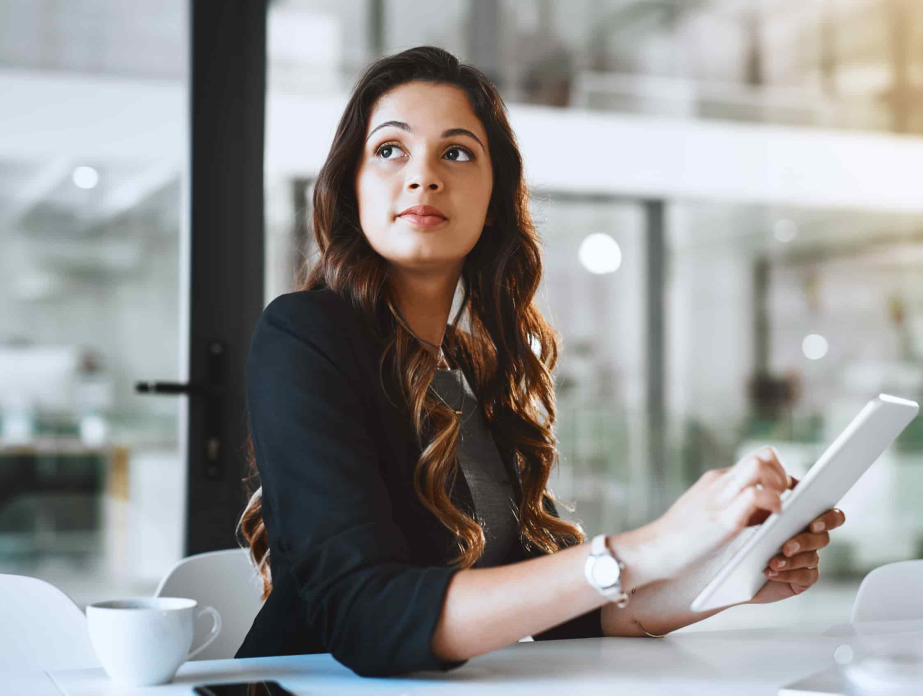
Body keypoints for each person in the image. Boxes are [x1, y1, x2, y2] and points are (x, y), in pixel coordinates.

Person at [235, 46, 845, 678]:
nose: (423, 176)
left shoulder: (475, 366)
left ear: (495, 198)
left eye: (457, 152)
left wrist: (728, 575)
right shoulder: (304, 334)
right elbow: (365, 617)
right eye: (390, 150)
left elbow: (566, 614)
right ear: (351, 187)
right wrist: (653, 544)